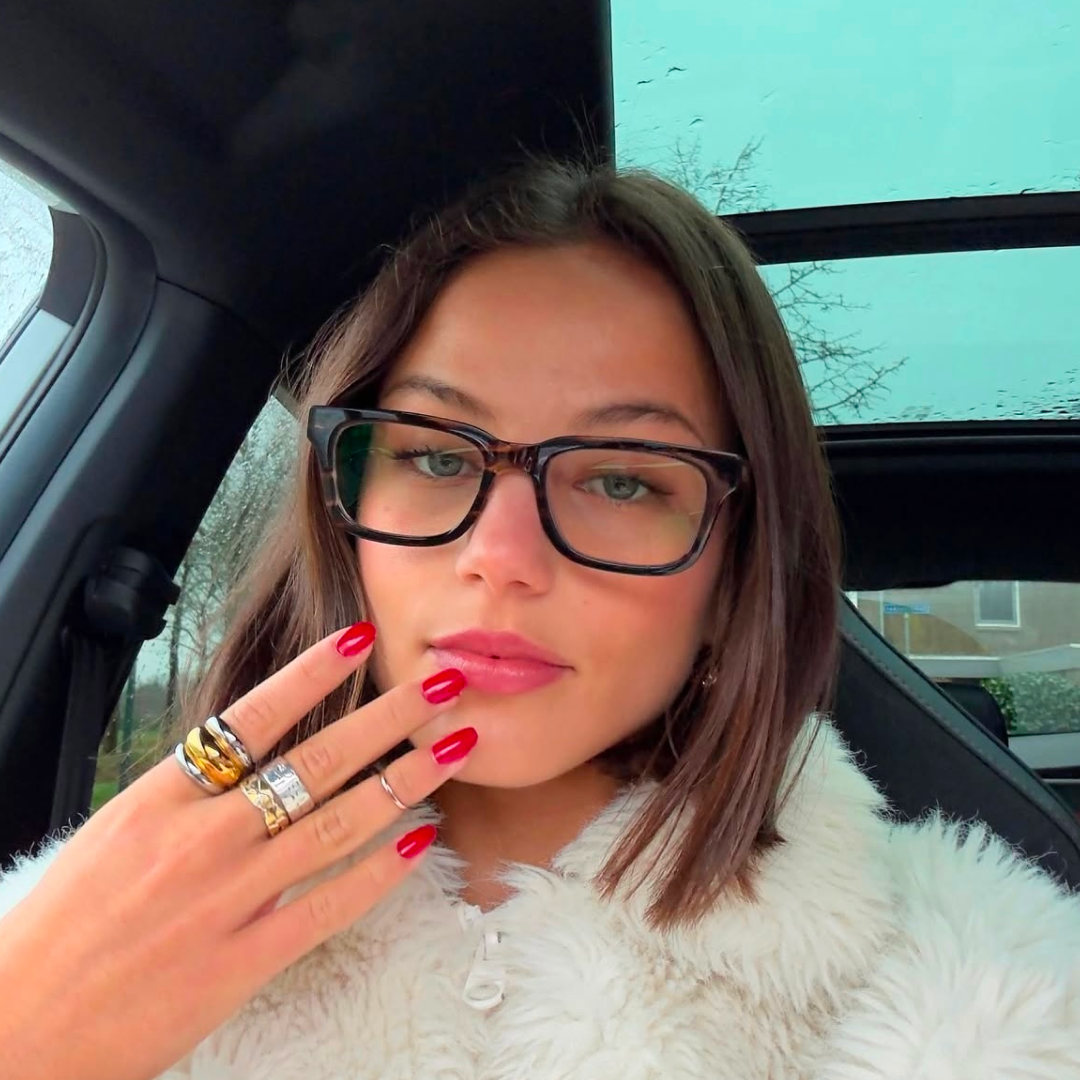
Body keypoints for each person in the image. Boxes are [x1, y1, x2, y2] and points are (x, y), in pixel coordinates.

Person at [0, 159, 1078, 1080]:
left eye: (621, 479)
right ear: (345, 517)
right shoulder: (73, 939)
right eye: (435, 455)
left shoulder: (1000, 1000)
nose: (502, 559)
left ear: (734, 574)